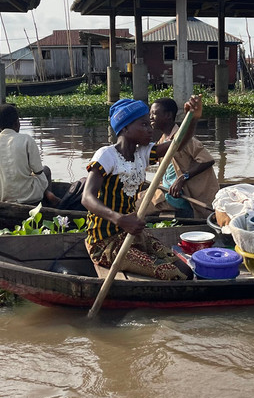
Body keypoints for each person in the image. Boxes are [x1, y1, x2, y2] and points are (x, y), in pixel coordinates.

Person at [81, 95, 203, 280]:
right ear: (126, 127)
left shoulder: (143, 153)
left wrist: (192, 119)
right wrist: (119, 219)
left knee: (185, 269)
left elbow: (177, 145)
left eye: (149, 124)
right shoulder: (106, 155)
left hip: (133, 235)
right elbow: (87, 198)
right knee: (172, 274)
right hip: (105, 243)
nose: (150, 129)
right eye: (144, 125)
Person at [0, 103, 61, 205]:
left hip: (1, 199)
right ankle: (48, 199)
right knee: (46, 170)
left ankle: (47, 194)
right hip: (29, 197)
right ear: (17, 123)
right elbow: (38, 171)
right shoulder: (27, 139)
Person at [149, 96, 219, 217]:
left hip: (182, 197)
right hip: (167, 191)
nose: (150, 117)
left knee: (139, 205)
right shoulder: (162, 141)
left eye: (154, 114)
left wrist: (183, 178)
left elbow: (207, 160)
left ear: (168, 115)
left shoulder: (185, 139)